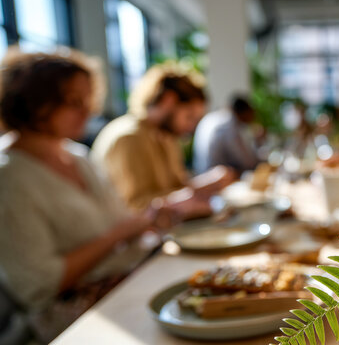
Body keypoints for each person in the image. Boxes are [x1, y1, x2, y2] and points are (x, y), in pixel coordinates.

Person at [0, 49, 172, 341]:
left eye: (88, 99)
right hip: (68, 319)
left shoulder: (77, 156)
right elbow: (38, 285)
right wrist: (117, 235)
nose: (88, 110)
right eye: (73, 102)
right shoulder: (9, 175)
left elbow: (123, 225)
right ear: (33, 103)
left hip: (122, 286)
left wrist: (150, 222)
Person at [91, 64, 235, 218]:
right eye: (189, 117)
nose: (192, 127)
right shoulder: (128, 138)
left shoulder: (166, 136)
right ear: (168, 100)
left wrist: (206, 184)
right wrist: (195, 192)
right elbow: (136, 208)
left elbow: (175, 188)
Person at [192, 95, 259, 174]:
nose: (252, 118)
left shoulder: (215, 117)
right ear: (244, 112)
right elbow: (247, 162)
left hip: (200, 173)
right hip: (214, 177)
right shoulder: (229, 123)